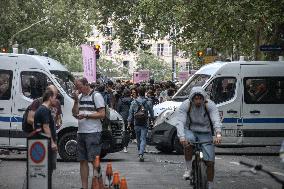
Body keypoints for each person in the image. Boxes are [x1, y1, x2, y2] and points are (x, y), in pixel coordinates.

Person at [175, 86, 222, 189]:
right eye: (195, 99)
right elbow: (180, 122)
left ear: (203, 98)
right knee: (188, 144)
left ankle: (210, 185)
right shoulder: (185, 105)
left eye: (200, 98)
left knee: (210, 162)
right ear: (192, 99)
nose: (198, 101)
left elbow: (216, 120)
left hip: (205, 133)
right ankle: (188, 169)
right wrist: (182, 137)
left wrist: (218, 134)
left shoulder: (210, 105)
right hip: (190, 130)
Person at [72, 78, 105, 189]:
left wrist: (86, 115)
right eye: (76, 87)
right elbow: (74, 113)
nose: (78, 89)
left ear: (86, 85)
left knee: (94, 161)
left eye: (79, 87)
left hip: (93, 133)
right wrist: (76, 101)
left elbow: (102, 114)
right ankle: (84, 187)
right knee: (82, 161)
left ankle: (99, 186)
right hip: (81, 132)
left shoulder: (96, 96)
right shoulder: (80, 97)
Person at [33, 88, 58, 174]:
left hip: (44, 143)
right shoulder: (44, 110)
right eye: (55, 97)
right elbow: (46, 127)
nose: (56, 100)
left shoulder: (42, 109)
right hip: (46, 144)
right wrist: (52, 143)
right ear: (50, 98)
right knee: (48, 168)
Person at [128, 87, 154, 162]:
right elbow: (151, 112)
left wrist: (129, 122)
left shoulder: (134, 102)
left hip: (136, 122)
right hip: (145, 122)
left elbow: (130, 113)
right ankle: (141, 153)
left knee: (138, 138)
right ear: (145, 92)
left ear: (138, 93)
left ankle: (140, 151)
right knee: (143, 138)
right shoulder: (148, 102)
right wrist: (152, 119)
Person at [117, 89, 132, 153]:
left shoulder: (121, 100)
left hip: (122, 116)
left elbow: (118, 109)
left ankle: (123, 146)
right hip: (130, 117)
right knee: (128, 132)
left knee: (123, 131)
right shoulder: (132, 100)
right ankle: (126, 146)